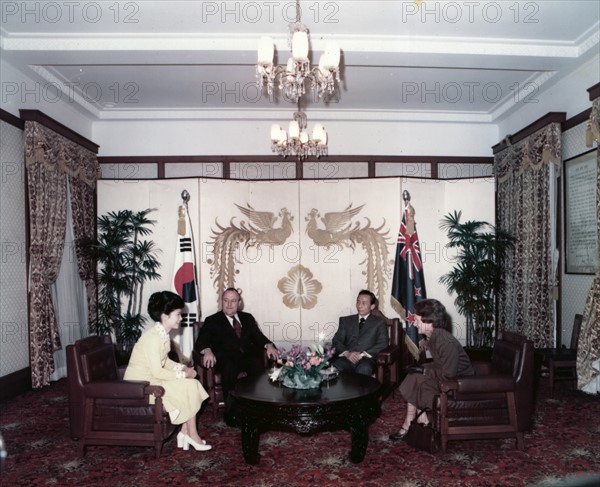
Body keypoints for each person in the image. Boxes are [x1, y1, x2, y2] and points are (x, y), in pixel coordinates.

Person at [124, 291, 211, 452]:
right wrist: (183, 375)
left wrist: (182, 368)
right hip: (140, 385)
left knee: (190, 385)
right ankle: (190, 434)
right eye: (178, 314)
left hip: (151, 378)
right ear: (165, 316)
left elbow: (165, 361)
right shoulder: (153, 338)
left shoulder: (162, 334)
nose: (180, 318)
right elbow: (157, 371)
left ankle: (186, 432)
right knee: (188, 385)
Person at [389, 298, 474, 442]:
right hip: (449, 377)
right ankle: (412, 421)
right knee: (414, 376)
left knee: (419, 377)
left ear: (430, 321)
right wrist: (421, 368)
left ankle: (417, 421)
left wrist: (424, 371)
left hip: (459, 384)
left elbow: (449, 374)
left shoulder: (444, 340)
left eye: (417, 319)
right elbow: (439, 364)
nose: (414, 322)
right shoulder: (433, 336)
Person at [194, 288, 278, 401]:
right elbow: (200, 342)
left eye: (233, 301)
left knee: (257, 362)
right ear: (221, 302)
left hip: (247, 358)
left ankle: (256, 408)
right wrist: (207, 350)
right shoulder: (212, 320)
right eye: (226, 300)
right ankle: (231, 412)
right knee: (230, 365)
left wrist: (268, 345)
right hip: (226, 360)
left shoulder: (247, 318)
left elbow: (259, 337)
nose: (229, 304)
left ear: (239, 303)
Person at [332, 289, 389, 376]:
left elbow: (383, 343)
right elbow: (337, 340)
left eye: (364, 303)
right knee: (336, 366)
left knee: (364, 369)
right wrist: (347, 353)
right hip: (347, 358)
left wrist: (362, 354)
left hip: (366, 360)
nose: (359, 305)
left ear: (372, 306)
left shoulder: (379, 322)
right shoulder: (346, 320)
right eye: (358, 302)